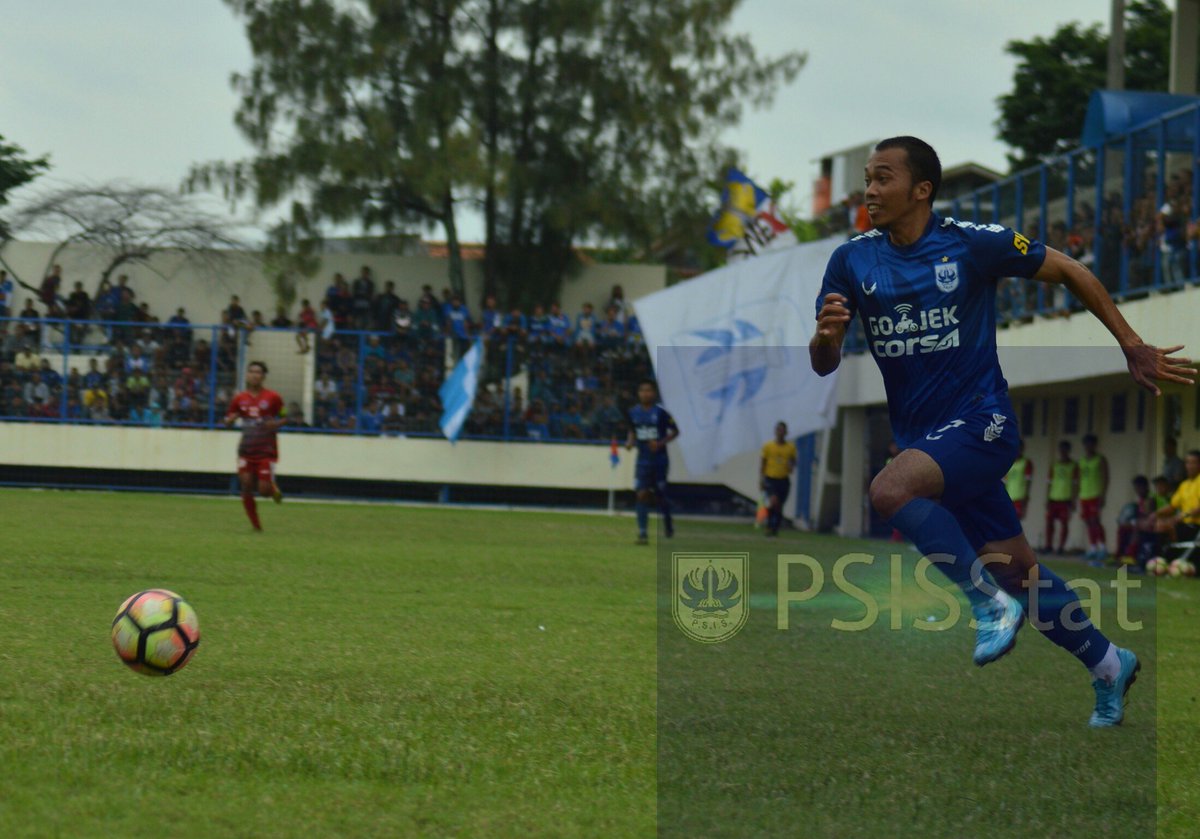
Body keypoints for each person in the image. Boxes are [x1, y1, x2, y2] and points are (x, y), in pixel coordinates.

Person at [810, 135, 1193, 727]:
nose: (870, 190)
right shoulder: (852, 259)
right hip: (930, 445)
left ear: (921, 189)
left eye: (883, 178)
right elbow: (823, 363)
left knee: (889, 491)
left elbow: (1068, 268)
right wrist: (826, 338)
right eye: (868, 177)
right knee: (1020, 570)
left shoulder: (971, 244)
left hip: (983, 424)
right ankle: (1111, 663)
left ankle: (988, 606)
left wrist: (1131, 343)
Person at [223, 361, 286, 531]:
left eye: (258, 372)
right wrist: (229, 420)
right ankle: (256, 526)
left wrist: (277, 423)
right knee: (246, 484)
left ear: (264, 376)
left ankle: (272, 489)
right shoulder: (239, 398)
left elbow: (285, 416)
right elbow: (228, 419)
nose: (254, 375)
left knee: (263, 491)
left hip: (266, 450)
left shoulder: (273, 397)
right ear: (247, 375)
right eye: (251, 371)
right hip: (246, 450)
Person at [625, 379, 679, 545]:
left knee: (660, 496)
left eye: (648, 390)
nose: (645, 393)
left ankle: (668, 526)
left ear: (653, 393)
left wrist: (660, 443)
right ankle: (643, 534)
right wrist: (630, 441)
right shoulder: (633, 412)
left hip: (660, 460)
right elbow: (632, 430)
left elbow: (675, 431)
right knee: (641, 494)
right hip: (642, 461)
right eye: (642, 390)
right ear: (638, 393)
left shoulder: (661, 412)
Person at [1154, 449, 1200, 548]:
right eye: (1188, 463)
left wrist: (1182, 516)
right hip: (1184, 524)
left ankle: (1174, 555)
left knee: (1162, 526)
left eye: (1193, 463)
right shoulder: (1184, 484)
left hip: (1195, 526)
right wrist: (1155, 514)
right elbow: (1172, 506)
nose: (1190, 466)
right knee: (1153, 523)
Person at [760, 421, 797, 537]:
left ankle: (775, 528)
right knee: (773, 501)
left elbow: (793, 462)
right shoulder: (768, 446)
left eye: (782, 430)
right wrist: (761, 479)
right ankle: (769, 525)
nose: (780, 432)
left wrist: (791, 465)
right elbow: (763, 463)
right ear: (775, 431)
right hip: (771, 478)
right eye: (778, 430)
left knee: (779, 506)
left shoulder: (790, 447)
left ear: (786, 432)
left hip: (783, 479)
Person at [1078, 434, 1110, 564]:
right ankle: (1092, 547)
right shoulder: (1082, 461)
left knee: (1095, 520)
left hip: (1095, 494)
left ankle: (1102, 547)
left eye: (1091, 444)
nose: (1088, 447)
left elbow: (1106, 477)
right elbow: (1080, 478)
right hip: (1084, 495)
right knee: (1087, 521)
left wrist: (1103, 494)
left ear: (1095, 445)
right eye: (1086, 444)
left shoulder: (1100, 459)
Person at [1044, 440, 1077, 555]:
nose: (1063, 452)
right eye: (1061, 450)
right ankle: (1048, 545)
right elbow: (1049, 482)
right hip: (1054, 498)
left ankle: (1061, 547)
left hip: (1065, 499)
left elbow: (1075, 484)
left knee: (1064, 523)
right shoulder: (1055, 465)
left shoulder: (1073, 465)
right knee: (1049, 522)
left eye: (1065, 450)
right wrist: (1047, 497)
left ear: (1068, 451)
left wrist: (1073, 499)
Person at [1004, 438, 1033, 520]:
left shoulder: (1026, 462)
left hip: (1019, 498)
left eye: (1020, 448)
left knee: (1016, 522)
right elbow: (1005, 481)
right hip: (1008, 498)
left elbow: (1028, 481)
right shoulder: (1008, 462)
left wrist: (1026, 497)